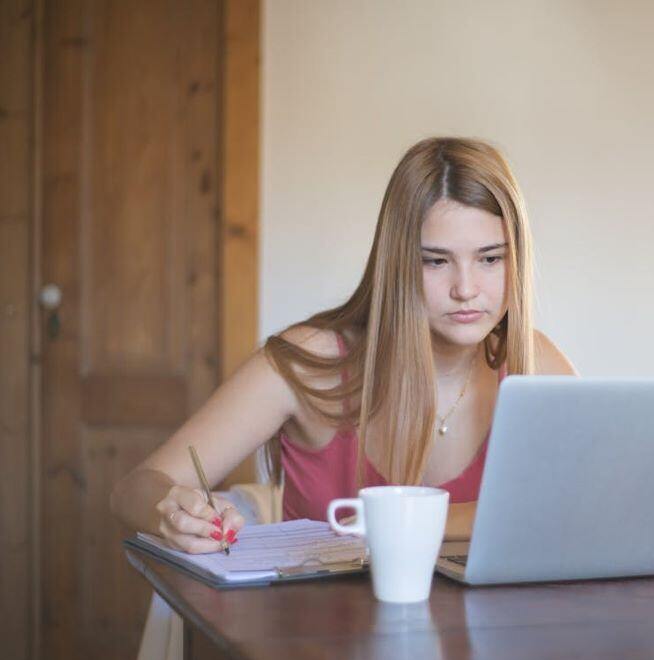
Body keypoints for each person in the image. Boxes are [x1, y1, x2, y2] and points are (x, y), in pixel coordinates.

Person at [110, 137, 577, 553]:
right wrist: (172, 513)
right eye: (435, 262)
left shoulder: (536, 365)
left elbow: (598, 508)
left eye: (490, 258)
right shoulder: (307, 364)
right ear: (396, 263)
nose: (466, 288)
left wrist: (387, 522)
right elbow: (135, 488)